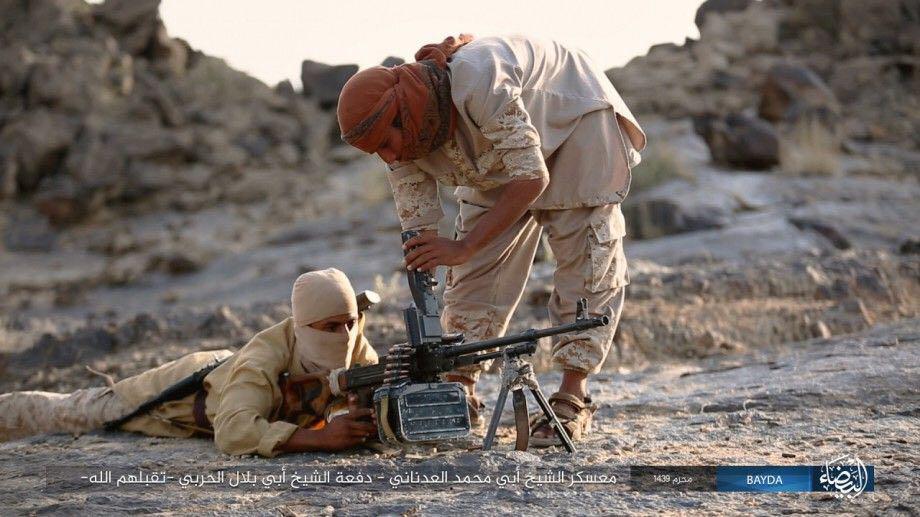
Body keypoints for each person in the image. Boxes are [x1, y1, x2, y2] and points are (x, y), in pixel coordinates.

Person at [336, 35, 646, 446]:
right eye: (376, 152)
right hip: (500, 154)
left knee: (587, 252)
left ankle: (573, 396)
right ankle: (460, 391)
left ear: (402, 113)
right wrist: (437, 274)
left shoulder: (478, 81)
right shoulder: (400, 142)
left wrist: (462, 247)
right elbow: (423, 237)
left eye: (386, 144)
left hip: (574, 120)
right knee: (472, 271)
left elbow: (532, 177)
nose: (389, 158)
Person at [0, 269, 379, 456]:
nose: (344, 336)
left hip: (225, 372)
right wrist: (319, 439)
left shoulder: (357, 344)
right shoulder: (266, 354)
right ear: (303, 326)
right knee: (74, 412)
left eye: (349, 323)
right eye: (330, 327)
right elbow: (232, 433)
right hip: (179, 393)